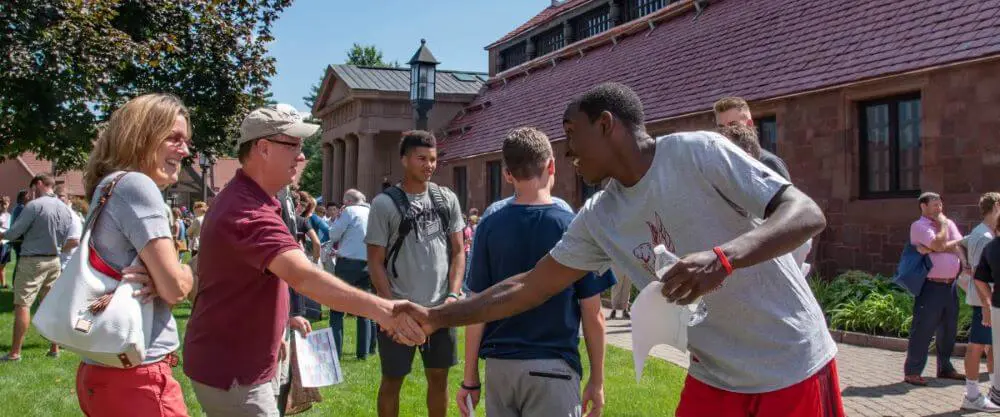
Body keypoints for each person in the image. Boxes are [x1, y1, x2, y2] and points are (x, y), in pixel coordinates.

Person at [396, 82, 843, 417]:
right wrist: (438, 316)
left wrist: (724, 257)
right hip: (715, 376)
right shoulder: (599, 216)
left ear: (606, 124)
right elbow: (528, 287)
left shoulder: (698, 151)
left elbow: (805, 212)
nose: (566, 150)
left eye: (572, 133)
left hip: (791, 362)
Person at [183, 106, 424, 417]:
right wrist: (387, 310)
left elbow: (246, 280)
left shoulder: (250, 199)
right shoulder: (247, 212)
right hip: (234, 372)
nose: (301, 155)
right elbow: (304, 277)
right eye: (293, 145)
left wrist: (281, 325)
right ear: (264, 149)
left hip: (239, 362)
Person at [457, 127, 614, 417]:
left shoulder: (488, 227)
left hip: (500, 368)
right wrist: (597, 380)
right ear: (551, 165)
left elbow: (475, 309)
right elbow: (594, 313)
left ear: (507, 174)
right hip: (553, 365)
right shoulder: (574, 227)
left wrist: (470, 379)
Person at [68, 93, 196, 416]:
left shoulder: (109, 184)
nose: (185, 150)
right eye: (174, 138)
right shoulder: (138, 187)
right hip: (137, 377)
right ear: (142, 136)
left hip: (100, 370)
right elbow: (176, 288)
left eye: (186, 140)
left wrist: (161, 276)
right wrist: (188, 269)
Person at [367, 130, 466, 417]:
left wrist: (452, 296)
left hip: (440, 309)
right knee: (392, 380)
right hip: (400, 309)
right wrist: (391, 309)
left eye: (433, 159)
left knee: (439, 378)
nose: (429, 165)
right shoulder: (384, 204)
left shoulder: (446, 199)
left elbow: (459, 251)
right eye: (422, 158)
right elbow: (375, 262)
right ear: (404, 160)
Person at [0, 173, 72, 362]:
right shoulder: (64, 208)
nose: (32, 192)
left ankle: (15, 353)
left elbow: (15, 232)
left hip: (33, 261)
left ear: (39, 184)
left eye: (33, 188)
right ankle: (55, 348)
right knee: (51, 305)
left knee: (22, 304)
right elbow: (65, 236)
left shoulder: (35, 205)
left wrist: (3, 235)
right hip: (54, 260)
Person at [905, 192, 967, 385]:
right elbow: (939, 244)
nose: (939, 209)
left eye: (940, 204)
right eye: (935, 205)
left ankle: (945, 367)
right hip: (931, 286)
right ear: (923, 206)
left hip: (950, 285)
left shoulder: (947, 223)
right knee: (923, 329)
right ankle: (912, 371)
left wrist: (963, 262)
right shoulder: (919, 226)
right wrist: (943, 228)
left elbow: (958, 243)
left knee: (949, 329)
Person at [959, 192, 1000, 411]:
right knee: (976, 347)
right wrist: (986, 306)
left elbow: (958, 244)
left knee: (992, 348)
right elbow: (980, 273)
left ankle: (995, 391)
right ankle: (972, 395)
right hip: (984, 302)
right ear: (996, 206)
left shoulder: (982, 233)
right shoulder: (984, 236)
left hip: (987, 302)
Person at [327, 188, 377, 360]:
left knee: (337, 310)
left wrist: (338, 218)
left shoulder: (348, 212)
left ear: (347, 201)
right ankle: (364, 352)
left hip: (347, 264)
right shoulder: (372, 212)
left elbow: (333, 234)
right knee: (365, 310)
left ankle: (336, 351)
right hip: (368, 263)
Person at [713, 96, 791, 180]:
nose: (725, 132)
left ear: (749, 125)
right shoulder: (720, 167)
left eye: (733, 125)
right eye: (721, 127)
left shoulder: (769, 164)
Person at [56, 185, 83, 273]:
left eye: (61, 196)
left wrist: (56, 250)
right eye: (55, 196)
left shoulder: (72, 217)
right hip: (56, 265)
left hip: (65, 266)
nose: (57, 198)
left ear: (69, 199)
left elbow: (75, 241)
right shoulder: (57, 214)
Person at [0, 196, 11, 289]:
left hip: (6, 243)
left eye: (5, 203)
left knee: (3, 265)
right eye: (2, 204)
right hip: (1, 241)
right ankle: (3, 284)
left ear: (9, 204)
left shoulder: (10, 216)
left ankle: (3, 284)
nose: (3, 206)